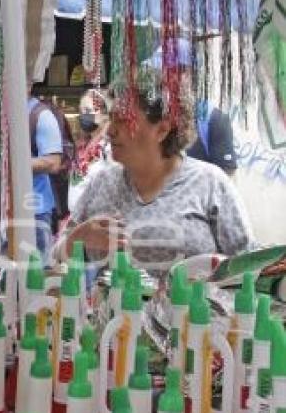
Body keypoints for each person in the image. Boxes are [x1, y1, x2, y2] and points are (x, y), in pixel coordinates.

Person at [55, 87, 253, 276]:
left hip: (193, 309)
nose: (110, 131)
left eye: (124, 120)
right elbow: (57, 256)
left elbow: (247, 264)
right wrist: (77, 238)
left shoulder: (209, 183)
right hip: (115, 309)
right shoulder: (103, 182)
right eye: (112, 119)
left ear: (162, 130)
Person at [143, 39, 237, 176]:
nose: (161, 79)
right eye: (157, 71)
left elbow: (227, 181)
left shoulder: (213, 119)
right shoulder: (148, 115)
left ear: (188, 74)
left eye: (169, 71)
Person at [27, 89, 64, 263]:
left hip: (34, 212)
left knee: (34, 275)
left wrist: (9, 163)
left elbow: (53, 162)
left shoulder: (41, 115)